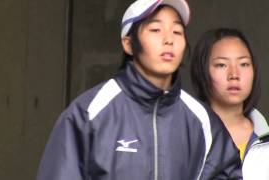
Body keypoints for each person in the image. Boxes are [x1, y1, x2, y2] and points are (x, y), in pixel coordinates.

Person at [37, 1, 242, 180]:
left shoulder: (202, 121)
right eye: (155, 30)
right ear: (128, 44)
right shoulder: (89, 113)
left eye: (177, 31)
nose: (168, 39)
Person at [190, 28, 269, 180]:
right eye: (221, 65)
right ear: (202, 71)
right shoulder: (184, 137)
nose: (234, 74)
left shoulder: (265, 138)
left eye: (244, 64)